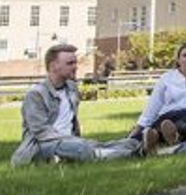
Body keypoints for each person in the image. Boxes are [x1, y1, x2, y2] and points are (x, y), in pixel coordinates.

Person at [11, 44, 141, 165]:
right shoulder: (36, 94)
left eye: (75, 62)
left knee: (129, 142)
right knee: (82, 149)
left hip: (71, 141)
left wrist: (78, 140)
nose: (75, 67)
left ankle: (134, 147)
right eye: (70, 63)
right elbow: (41, 133)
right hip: (43, 146)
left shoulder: (72, 88)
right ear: (53, 66)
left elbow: (73, 124)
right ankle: (133, 154)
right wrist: (76, 141)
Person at [137, 42, 186, 152]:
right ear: (178, 59)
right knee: (164, 123)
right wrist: (139, 127)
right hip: (169, 115)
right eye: (185, 55)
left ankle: (164, 138)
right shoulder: (166, 77)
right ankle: (156, 137)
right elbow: (154, 104)